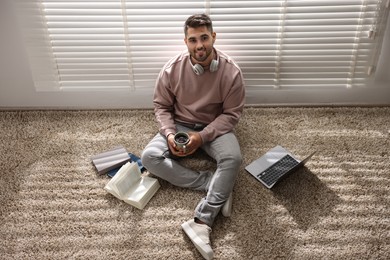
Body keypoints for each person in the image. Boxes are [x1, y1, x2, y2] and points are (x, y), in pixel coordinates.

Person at [141, 14, 245, 260]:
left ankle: (201, 220)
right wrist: (168, 134)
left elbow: (231, 114)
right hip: (179, 124)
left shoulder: (231, 72)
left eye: (205, 38)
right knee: (149, 157)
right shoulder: (171, 70)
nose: (200, 46)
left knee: (233, 159)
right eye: (193, 40)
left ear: (214, 37)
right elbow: (161, 108)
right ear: (186, 42)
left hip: (214, 126)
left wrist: (202, 136)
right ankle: (211, 182)